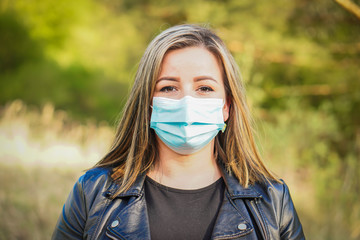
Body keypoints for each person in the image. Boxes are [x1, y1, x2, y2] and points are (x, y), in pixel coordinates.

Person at [52, 24, 305, 240]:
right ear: (148, 105)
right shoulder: (94, 192)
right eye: (168, 88)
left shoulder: (272, 201)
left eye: (204, 88)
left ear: (226, 106)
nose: (186, 102)